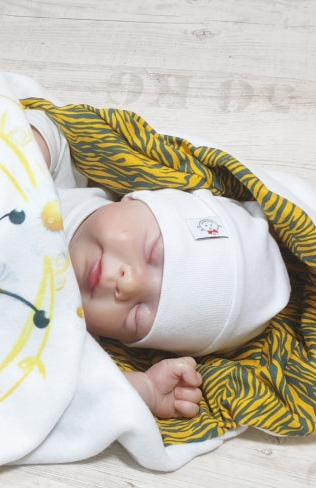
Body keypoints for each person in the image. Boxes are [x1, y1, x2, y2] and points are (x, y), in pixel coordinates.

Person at [25, 109, 291, 420]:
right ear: (137, 199)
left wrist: (146, 389)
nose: (129, 284)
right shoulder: (59, 179)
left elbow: (69, 392)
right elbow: (39, 128)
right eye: (152, 253)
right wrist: (25, 154)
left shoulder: (68, 343)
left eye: (138, 315)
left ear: (124, 343)